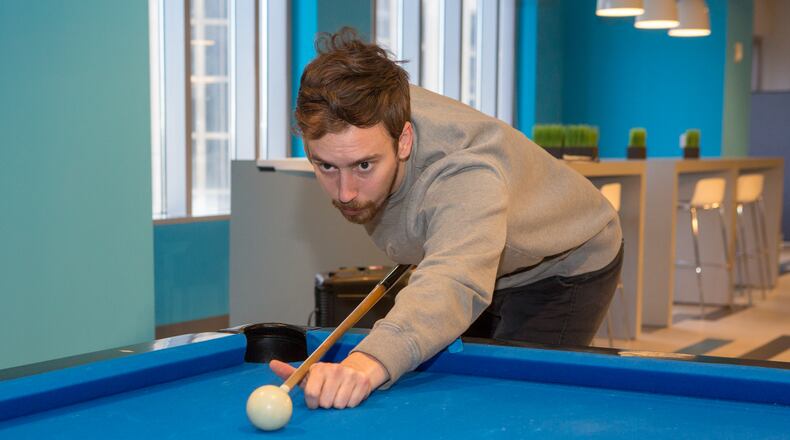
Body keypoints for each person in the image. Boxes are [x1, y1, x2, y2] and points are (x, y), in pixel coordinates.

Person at [270, 28, 623, 410]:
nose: (345, 193)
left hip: (566, 260)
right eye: (326, 165)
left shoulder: (463, 173)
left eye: (364, 165)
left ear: (404, 141)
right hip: (486, 253)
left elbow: (455, 279)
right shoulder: (365, 103)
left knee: (515, 405)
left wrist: (364, 362)